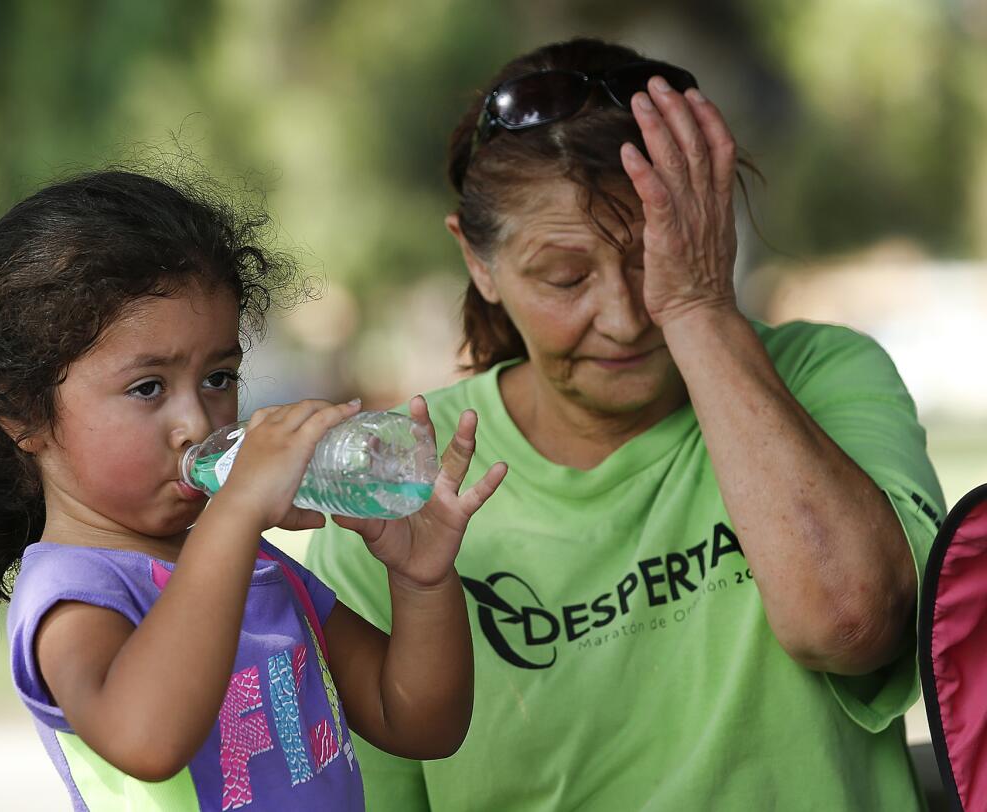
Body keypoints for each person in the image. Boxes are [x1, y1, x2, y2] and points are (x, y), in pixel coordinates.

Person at [306, 37, 946, 810]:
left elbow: (851, 624)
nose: (623, 318)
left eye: (656, 259)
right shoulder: (398, 475)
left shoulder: (824, 376)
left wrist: (700, 307)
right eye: (565, 276)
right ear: (478, 264)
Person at [0, 169, 508, 810]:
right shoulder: (73, 596)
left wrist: (422, 582)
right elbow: (147, 739)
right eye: (148, 387)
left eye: (218, 378)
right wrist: (238, 515)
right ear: (24, 414)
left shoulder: (260, 568)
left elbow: (419, 723)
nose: (196, 422)